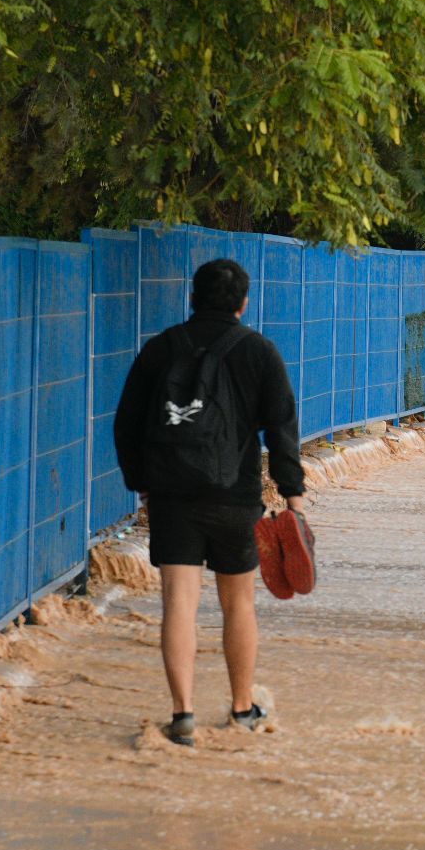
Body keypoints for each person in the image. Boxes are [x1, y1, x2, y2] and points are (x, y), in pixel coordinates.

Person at [114, 259, 307, 746]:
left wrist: (142, 483)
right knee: (237, 602)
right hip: (233, 494)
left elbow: (127, 423)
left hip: (172, 494)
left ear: (192, 297)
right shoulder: (259, 352)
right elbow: (281, 426)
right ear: (243, 303)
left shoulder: (161, 350)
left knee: (179, 601)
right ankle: (242, 710)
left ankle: (182, 716)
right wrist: (293, 494)